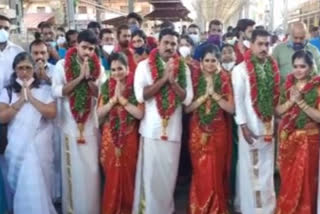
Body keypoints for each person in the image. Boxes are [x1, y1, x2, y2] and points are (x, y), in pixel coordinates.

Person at [133, 28, 193, 214]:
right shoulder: (144, 66)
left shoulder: (183, 68)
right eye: (166, 43)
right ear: (158, 43)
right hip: (151, 131)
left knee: (168, 178)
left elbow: (188, 99)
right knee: (151, 179)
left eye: (173, 44)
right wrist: (163, 80)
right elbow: (141, 96)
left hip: (173, 131)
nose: (169, 47)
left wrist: (173, 82)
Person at [52, 30, 104, 214]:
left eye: (91, 48)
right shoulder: (60, 65)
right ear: (76, 45)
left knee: (91, 174)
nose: (87, 52)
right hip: (69, 128)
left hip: (90, 127)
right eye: (84, 47)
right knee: (72, 173)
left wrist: (89, 78)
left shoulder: (99, 68)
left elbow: (100, 94)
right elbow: (57, 91)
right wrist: (79, 78)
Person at [0, 52, 57, 214]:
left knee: (43, 189)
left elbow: (51, 113)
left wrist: (30, 97)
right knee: (20, 188)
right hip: (17, 148)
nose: (24, 72)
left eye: (28, 68)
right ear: (14, 70)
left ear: (34, 70)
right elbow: (2, 117)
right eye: (20, 68)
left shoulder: (45, 90)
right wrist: (21, 100)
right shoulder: (8, 91)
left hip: (41, 148)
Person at [232, 29, 280, 214]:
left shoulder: (271, 67)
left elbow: (274, 97)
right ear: (250, 45)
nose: (264, 48)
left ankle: (267, 207)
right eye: (259, 44)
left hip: (268, 127)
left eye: (267, 44)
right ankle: (252, 208)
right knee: (251, 169)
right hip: (250, 127)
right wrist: (243, 126)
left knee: (266, 169)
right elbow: (238, 100)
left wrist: (275, 121)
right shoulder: (240, 70)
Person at [185, 45, 234, 213]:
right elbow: (187, 109)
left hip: (218, 131)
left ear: (218, 61)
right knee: (200, 170)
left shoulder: (225, 79)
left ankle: (216, 208)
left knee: (216, 171)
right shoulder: (194, 80)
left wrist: (215, 96)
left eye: (214, 60)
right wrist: (204, 97)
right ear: (201, 62)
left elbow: (231, 109)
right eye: (207, 60)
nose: (210, 64)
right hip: (197, 131)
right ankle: (199, 207)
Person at [98, 52, 143, 214]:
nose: (117, 73)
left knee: (128, 175)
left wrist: (122, 101)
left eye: (120, 69)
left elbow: (139, 114)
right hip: (110, 136)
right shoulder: (105, 86)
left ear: (128, 68)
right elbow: (98, 114)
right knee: (111, 175)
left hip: (129, 135)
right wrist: (112, 101)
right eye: (114, 69)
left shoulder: (135, 86)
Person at [275, 50, 320, 214]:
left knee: (306, 182)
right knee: (288, 182)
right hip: (289, 138)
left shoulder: (317, 87)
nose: (298, 70)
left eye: (303, 66)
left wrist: (301, 102)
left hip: (309, 140)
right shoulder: (287, 85)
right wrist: (291, 101)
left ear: (310, 67)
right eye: (295, 66)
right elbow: (278, 111)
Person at [0, 14, 23, 91]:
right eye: (0, 27)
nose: (2, 31)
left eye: (6, 28)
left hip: (11, 97)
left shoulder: (18, 51)